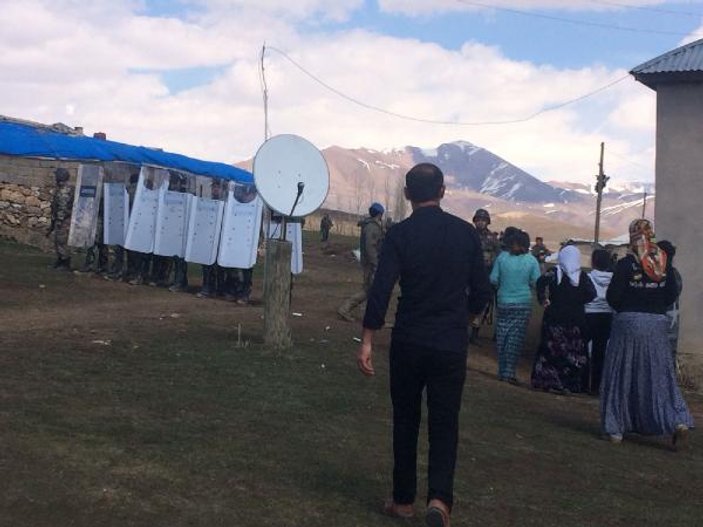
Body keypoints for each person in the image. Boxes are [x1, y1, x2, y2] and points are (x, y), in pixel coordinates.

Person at [357, 163, 491, 527]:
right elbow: (481, 290)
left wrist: (368, 338)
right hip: (449, 341)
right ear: (443, 191)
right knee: (445, 422)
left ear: (406, 194)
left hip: (409, 339)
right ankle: (439, 500)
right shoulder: (466, 234)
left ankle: (402, 500)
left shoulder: (400, 234)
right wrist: (467, 320)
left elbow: (381, 288)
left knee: (406, 419)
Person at [600, 220, 694, 448]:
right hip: (657, 326)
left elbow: (613, 296)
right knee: (658, 376)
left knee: (622, 374)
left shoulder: (625, 265)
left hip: (628, 324)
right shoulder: (663, 265)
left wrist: (628, 306)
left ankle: (615, 428)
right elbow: (672, 294)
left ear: (633, 238)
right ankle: (676, 420)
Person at [531, 245, 596, 394]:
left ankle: (549, 381)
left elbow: (540, 282)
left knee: (551, 350)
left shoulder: (554, 272)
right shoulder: (582, 276)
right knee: (572, 352)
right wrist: (578, 301)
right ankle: (570, 383)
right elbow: (592, 294)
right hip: (575, 320)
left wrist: (544, 299)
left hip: (554, 317)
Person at [490, 228, 541, 384]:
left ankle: (501, 370)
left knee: (502, 336)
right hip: (522, 303)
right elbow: (536, 281)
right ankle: (509, 372)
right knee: (515, 339)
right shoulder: (531, 261)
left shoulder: (502, 258)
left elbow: (493, 279)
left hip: (503, 301)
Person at [337, 202, 385, 322]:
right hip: (371, 263)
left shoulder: (370, 225)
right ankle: (345, 308)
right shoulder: (372, 228)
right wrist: (376, 263)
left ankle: (367, 314)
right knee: (369, 290)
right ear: (379, 214)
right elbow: (370, 247)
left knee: (370, 289)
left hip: (369, 262)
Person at [583, 249, 614, 394]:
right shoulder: (614, 278)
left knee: (584, 349)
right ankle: (596, 386)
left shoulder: (587, 277)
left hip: (589, 314)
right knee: (600, 352)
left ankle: (583, 383)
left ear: (593, 262)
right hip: (607, 316)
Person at [470, 208, 500, 343]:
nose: (481, 222)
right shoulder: (468, 234)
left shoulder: (493, 239)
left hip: (485, 276)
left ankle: (475, 334)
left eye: (483, 220)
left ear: (488, 222)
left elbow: (497, 257)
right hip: (467, 275)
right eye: (478, 220)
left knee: (482, 305)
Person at [657, 240, 683, 364]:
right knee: (670, 357)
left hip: (660, 321)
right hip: (673, 320)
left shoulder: (658, 274)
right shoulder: (675, 274)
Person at [48, 167, 74, 271]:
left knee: (62, 241)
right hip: (60, 219)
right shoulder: (61, 188)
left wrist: (58, 221)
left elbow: (62, 208)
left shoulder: (64, 190)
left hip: (63, 221)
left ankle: (65, 263)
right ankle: (60, 260)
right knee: (57, 241)